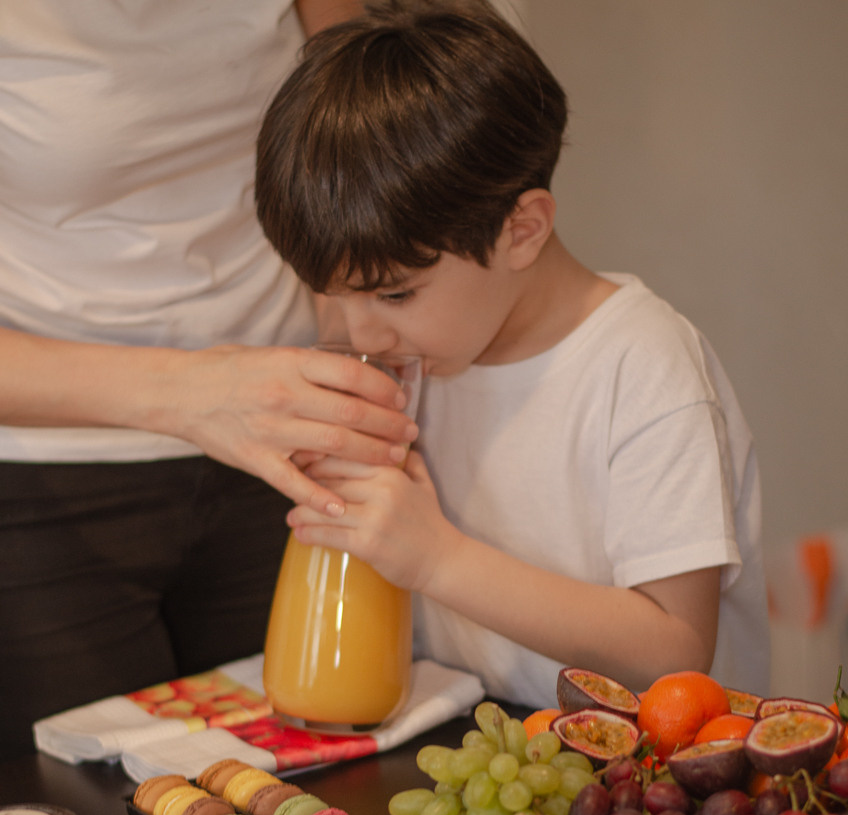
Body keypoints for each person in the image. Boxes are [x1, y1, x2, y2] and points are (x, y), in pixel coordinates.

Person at [254, 0, 771, 710]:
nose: (363, 336)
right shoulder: (426, 350)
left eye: (395, 295)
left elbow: (676, 650)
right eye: (334, 298)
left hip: (647, 789)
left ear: (522, 230)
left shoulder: (641, 365)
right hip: (481, 752)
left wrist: (436, 557)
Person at [0, 0, 418, 758]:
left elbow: (353, 151)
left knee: (313, 790)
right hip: (46, 489)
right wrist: (195, 393)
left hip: (283, 442)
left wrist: (349, 338)